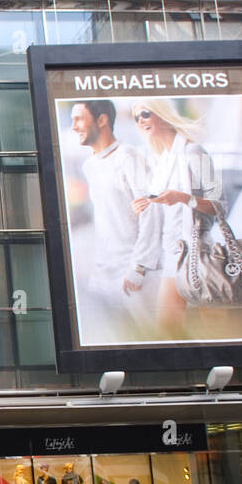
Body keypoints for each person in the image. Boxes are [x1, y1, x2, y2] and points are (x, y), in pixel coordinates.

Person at [129, 98, 223, 336]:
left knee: (215, 325)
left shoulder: (193, 151)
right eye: (136, 117)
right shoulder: (165, 161)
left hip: (198, 252)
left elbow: (220, 206)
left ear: (162, 114)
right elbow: (167, 211)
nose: (141, 120)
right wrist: (147, 203)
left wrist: (182, 198)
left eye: (146, 114)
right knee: (169, 327)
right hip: (173, 254)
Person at [70, 99, 160, 339]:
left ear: (102, 120)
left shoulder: (129, 157)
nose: (74, 126)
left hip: (135, 270)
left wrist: (140, 266)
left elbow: (152, 212)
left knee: (153, 339)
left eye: (79, 119)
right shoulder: (90, 166)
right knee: (114, 340)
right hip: (105, 270)